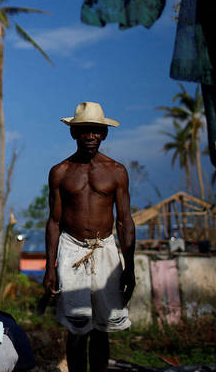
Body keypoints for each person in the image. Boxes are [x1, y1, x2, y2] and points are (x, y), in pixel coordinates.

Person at [43, 101, 136, 372]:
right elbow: (54, 222)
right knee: (77, 326)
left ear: (104, 134)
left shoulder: (116, 171)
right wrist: (50, 267)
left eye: (96, 130)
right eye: (84, 130)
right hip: (71, 248)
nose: (91, 136)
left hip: (105, 248)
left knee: (102, 328)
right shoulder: (60, 172)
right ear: (74, 132)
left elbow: (125, 221)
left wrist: (129, 267)